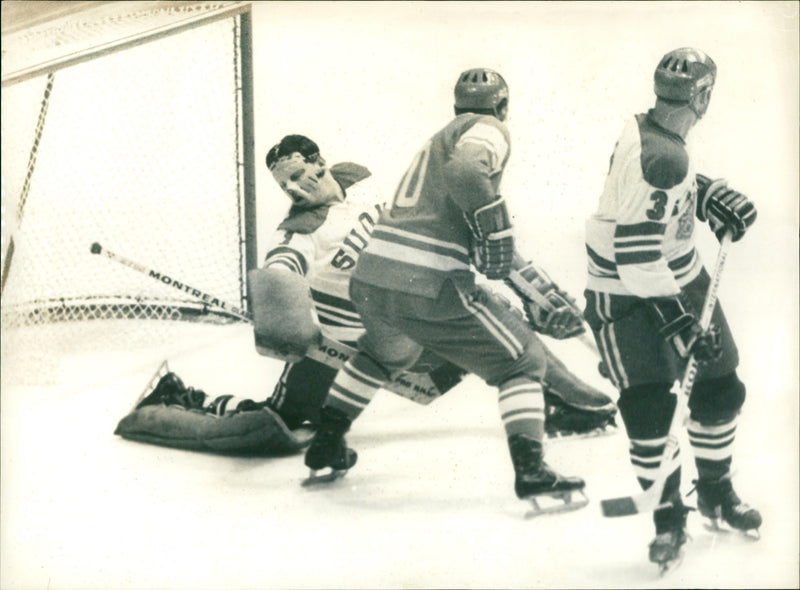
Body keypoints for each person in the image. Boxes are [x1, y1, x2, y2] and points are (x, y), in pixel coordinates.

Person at [115, 132, 616, 455]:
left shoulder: (371, 202)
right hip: (337, 352)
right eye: (283, 183)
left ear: (318, 163)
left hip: (408, 323)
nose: (292, 188)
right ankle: (183, 397)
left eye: (296, 175)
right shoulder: (298, 231)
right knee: (277, 425)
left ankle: (568, 399)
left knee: (497, 320)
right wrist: (278, 296)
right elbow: (282, 266)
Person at [303, 68, 591, 513]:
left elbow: (456, 216)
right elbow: (467, 173)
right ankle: (532, 472)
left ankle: (327, 441)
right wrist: (496, 228)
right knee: (523, 360)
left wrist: (524, 276)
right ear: (502, 107)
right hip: (428, 282)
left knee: (382, 355)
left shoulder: (440, 138)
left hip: (372, 276)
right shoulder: (489, 129)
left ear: (455, 108)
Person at [582, 47, 760, 569]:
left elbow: (653, 196)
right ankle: (667, 518)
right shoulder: (662, 156)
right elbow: (635, 256)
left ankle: (714, 490)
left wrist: (705, 197)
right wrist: (680, 322)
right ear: (703, 97)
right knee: (650, 410)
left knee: (720, 387)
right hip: (626, 296)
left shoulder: (648, 129)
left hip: (679, 276)